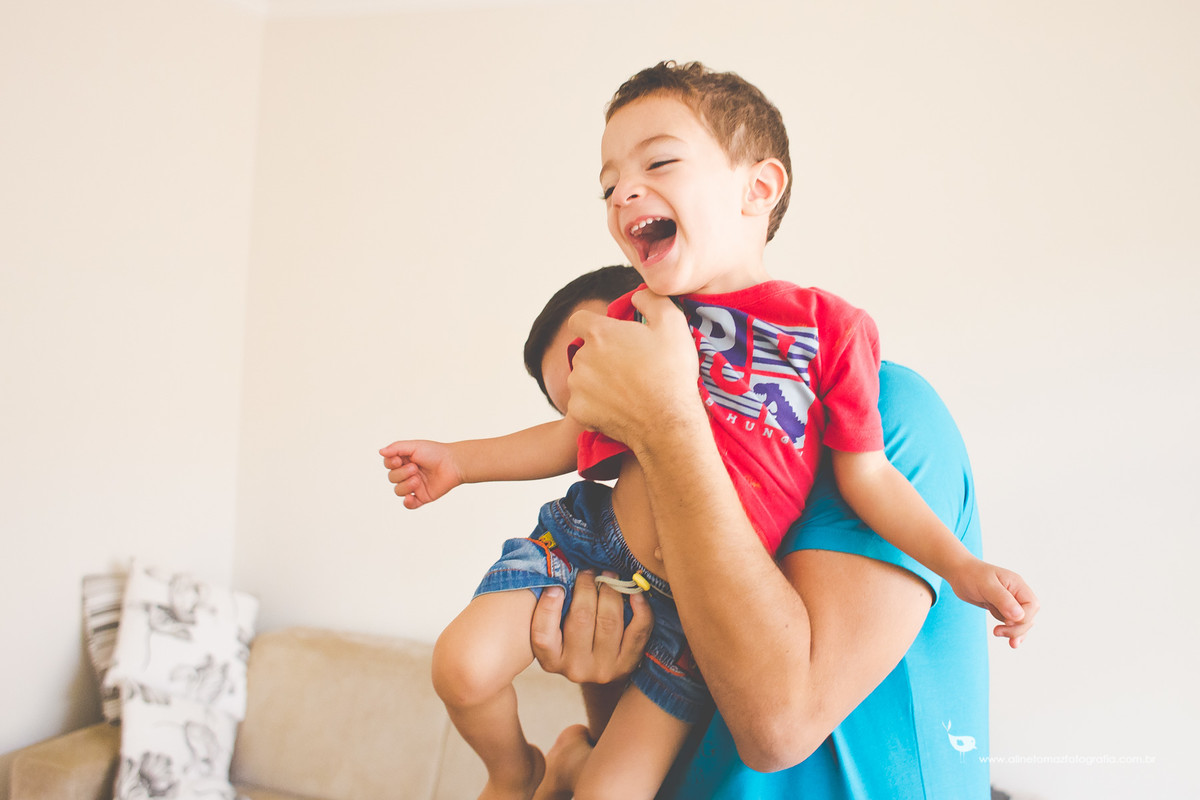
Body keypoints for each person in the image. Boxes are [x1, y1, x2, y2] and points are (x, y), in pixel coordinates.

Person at [381, 61, 1037, 800]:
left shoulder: (859, 370)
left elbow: (776, 726)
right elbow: (572, 438)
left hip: (730, 680)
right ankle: (539, 769)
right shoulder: (636, 326)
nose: (624, 191)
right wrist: (462, 463)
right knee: (470, 673)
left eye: (659, 161)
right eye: (607, 185)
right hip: (620, 573)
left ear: (759, 188)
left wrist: (963, 569)